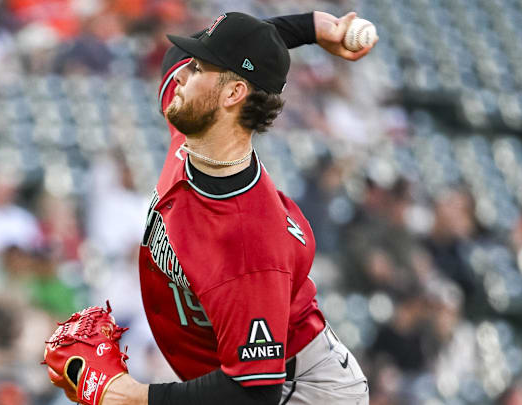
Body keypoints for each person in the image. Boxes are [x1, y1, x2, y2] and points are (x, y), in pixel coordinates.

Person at [63, 10, 376, 405]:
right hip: (245, 375)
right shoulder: (193, 134)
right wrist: (307, 28)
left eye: (196, 69)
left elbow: (252, 392)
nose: (180, 74)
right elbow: (176, 57)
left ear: (232, 94)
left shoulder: (248, 241)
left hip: (301, 392)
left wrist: (128, 395)